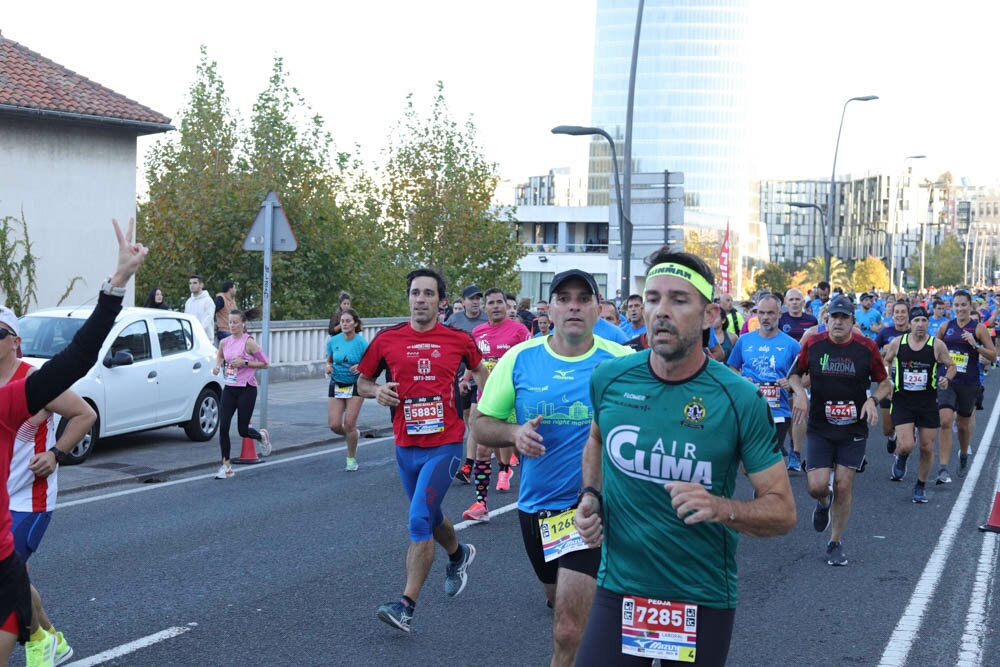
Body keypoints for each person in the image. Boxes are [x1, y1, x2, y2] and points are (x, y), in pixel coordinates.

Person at [573, 250, 795, 667]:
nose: (660, 311)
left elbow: (783, 512)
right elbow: (596, 440)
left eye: (679, 300)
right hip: (620, 586)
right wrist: (590, 494)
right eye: (653, 298)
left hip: (700, 595)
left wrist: (721, 507)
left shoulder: (739, 398)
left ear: (710, 314)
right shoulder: (611, 378)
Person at [0, 218, 146, 667]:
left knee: (16, 581)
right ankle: (45, 637)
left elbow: (78, 363)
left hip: (22, 510)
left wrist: (117, 282)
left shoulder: (12, 397)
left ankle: (43, 639)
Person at [472, 269, 632, 667]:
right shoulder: (520, 359)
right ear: (549, 310)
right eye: (564, 298)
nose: (574, 305)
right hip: (537, 507)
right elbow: (481, 424)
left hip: (598, 508)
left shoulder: (623, 362)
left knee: (567, 627)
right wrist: (514, 433)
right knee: (555, 596)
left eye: (583, 298)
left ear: (598, 309)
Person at [358, 269, 486, 633]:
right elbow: (363, 380)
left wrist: (484, 410)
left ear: (441, 301)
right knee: (429, 515)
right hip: (406, 446)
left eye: (429, 293)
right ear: (408, 297)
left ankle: (405, 606)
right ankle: (459, 555)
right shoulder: (387, 340)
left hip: (446, 444)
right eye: (415, 292)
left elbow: (481, 371)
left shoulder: (458, 339)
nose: (421, 299)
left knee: (418, 518)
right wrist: (375, 392)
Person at [3, 310, 95, 667]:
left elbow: (85, 414)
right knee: (11, 575)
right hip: (0, 497)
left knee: (8, 574)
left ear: (15, 341)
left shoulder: (34, 381)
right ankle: (48, 638)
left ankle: (41, 640)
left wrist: (56, 453)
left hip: (29, 499)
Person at [789, 294, 892, 566]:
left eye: (844, 317)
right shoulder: (813, 344)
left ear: (852, 321)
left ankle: (835, 542)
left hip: (853, 428)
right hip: (821, 426)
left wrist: (872, 400)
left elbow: (885, 383)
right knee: (816, 486)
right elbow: (794, 375)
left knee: (844, 485)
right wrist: (799, 393)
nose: (838, 322)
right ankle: (824, 503)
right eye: (834, 317)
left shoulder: (866, 347)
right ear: (826, 319)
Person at [461, 288, 531, 522]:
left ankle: (538, 498)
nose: (496, 306)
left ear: (506, 305)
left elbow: (529, 360)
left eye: (500, 302)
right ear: (485, 308)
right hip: (488, 399)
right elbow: (474, 362)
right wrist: (465, 379)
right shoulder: (478, 332)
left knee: (524, 450)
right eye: (491, 303)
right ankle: (481, 504)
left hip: (514, 398)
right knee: (482, 449)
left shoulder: (519, 331)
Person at [881, 306, 957, 501]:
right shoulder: (898, 342)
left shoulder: (936, 345)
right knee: (906, 445)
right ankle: (903, 456)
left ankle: (920, 485)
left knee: (926, 447)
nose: (920, 325)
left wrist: (946, 379)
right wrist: (888, 380)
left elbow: (951, 366)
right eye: (916, 321)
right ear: (910, 324)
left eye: (924, 321)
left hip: (927, 402)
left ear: (928, 323)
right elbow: (886, 360)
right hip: (903, 400)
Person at [727, 293, 802, 470]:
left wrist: (792, 384)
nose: (765, 318)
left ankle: (768, 493)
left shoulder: (791, 345)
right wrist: (741, 380)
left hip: (778, 411)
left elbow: (805, 375)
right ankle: (765, 490)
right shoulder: (744, 340)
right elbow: (732, 368)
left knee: (767, 459)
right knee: (748, 467)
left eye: (770, 313)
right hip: (749, 409)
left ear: (779, 314)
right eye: (761, 313)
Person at [936, 290, 997, 482]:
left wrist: (975, 346)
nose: (960, 309)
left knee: (962, 424)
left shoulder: (977, 329)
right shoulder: (946, 327)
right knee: (945, 421)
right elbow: (936, 352)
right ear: (952, 307)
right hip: (948, 380)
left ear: (970, 306)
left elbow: (993, 356)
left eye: (964, 305)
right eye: (957, 305)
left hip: (969, 382)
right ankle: (943, 467)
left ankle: (963, 454)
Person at [211, 310, 271, 479]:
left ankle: (261, 436)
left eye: (235, 322)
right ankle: (226, 466)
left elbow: (265, 363)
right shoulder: (224, 342)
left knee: (243, 430)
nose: (232, 325)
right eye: (230, 322)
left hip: (246, 389)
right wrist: (217, 366)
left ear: (243, 323)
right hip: (229, 388)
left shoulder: (249, 342)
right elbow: (220, 356)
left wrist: (245, 362)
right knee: (223, 428)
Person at [445, 285, 488, 484]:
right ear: (463, 302)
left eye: (478, 298)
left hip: (479, 374)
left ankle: (469, 465)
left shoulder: (486, 320)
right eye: (471, 299)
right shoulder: (454, 320)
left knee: (473, 419)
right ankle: (481, 446)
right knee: (465, 417)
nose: (475, 302)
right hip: (458, 374)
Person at [325, 308, 368, 471]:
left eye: (348, 321)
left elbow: (372, 365)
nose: (344, 324)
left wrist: (361, 367)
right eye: (342, 321)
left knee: (349, 423)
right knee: (335, 425)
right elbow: (328, 359)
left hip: (355, 385)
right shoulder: (333, 341)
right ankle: (353, 435)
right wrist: (328, 366)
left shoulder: (362, 343)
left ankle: (351, 458)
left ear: (355, 323)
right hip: (337, 382)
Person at [876, 301, 911, 454]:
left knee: (905, 425)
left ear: (908, 315)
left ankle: (901, 454)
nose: (900, 315)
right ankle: (892, 437)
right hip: (887, 382)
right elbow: (873, 352)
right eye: (897, 312)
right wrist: (883, 353)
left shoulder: (913, 334)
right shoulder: (885, 333)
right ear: (892, 314)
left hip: (908, 385)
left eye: (903, 312)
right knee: (886, 429)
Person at [184, 274, 215, 341]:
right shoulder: (188, 302)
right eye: (190, 283)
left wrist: (197, 332)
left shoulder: (208, 301)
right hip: (191, 339)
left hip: (205, 339)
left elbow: (207, 320)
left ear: (201, 285)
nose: (192, 285)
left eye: (195, 283)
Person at [214, 280, 237, 344]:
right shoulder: (220, 298)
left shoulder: (232, 301)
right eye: (234, 288)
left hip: (232, 331)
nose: (235, 290)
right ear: (230, 289)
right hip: (224, 331)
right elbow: (212, 311)